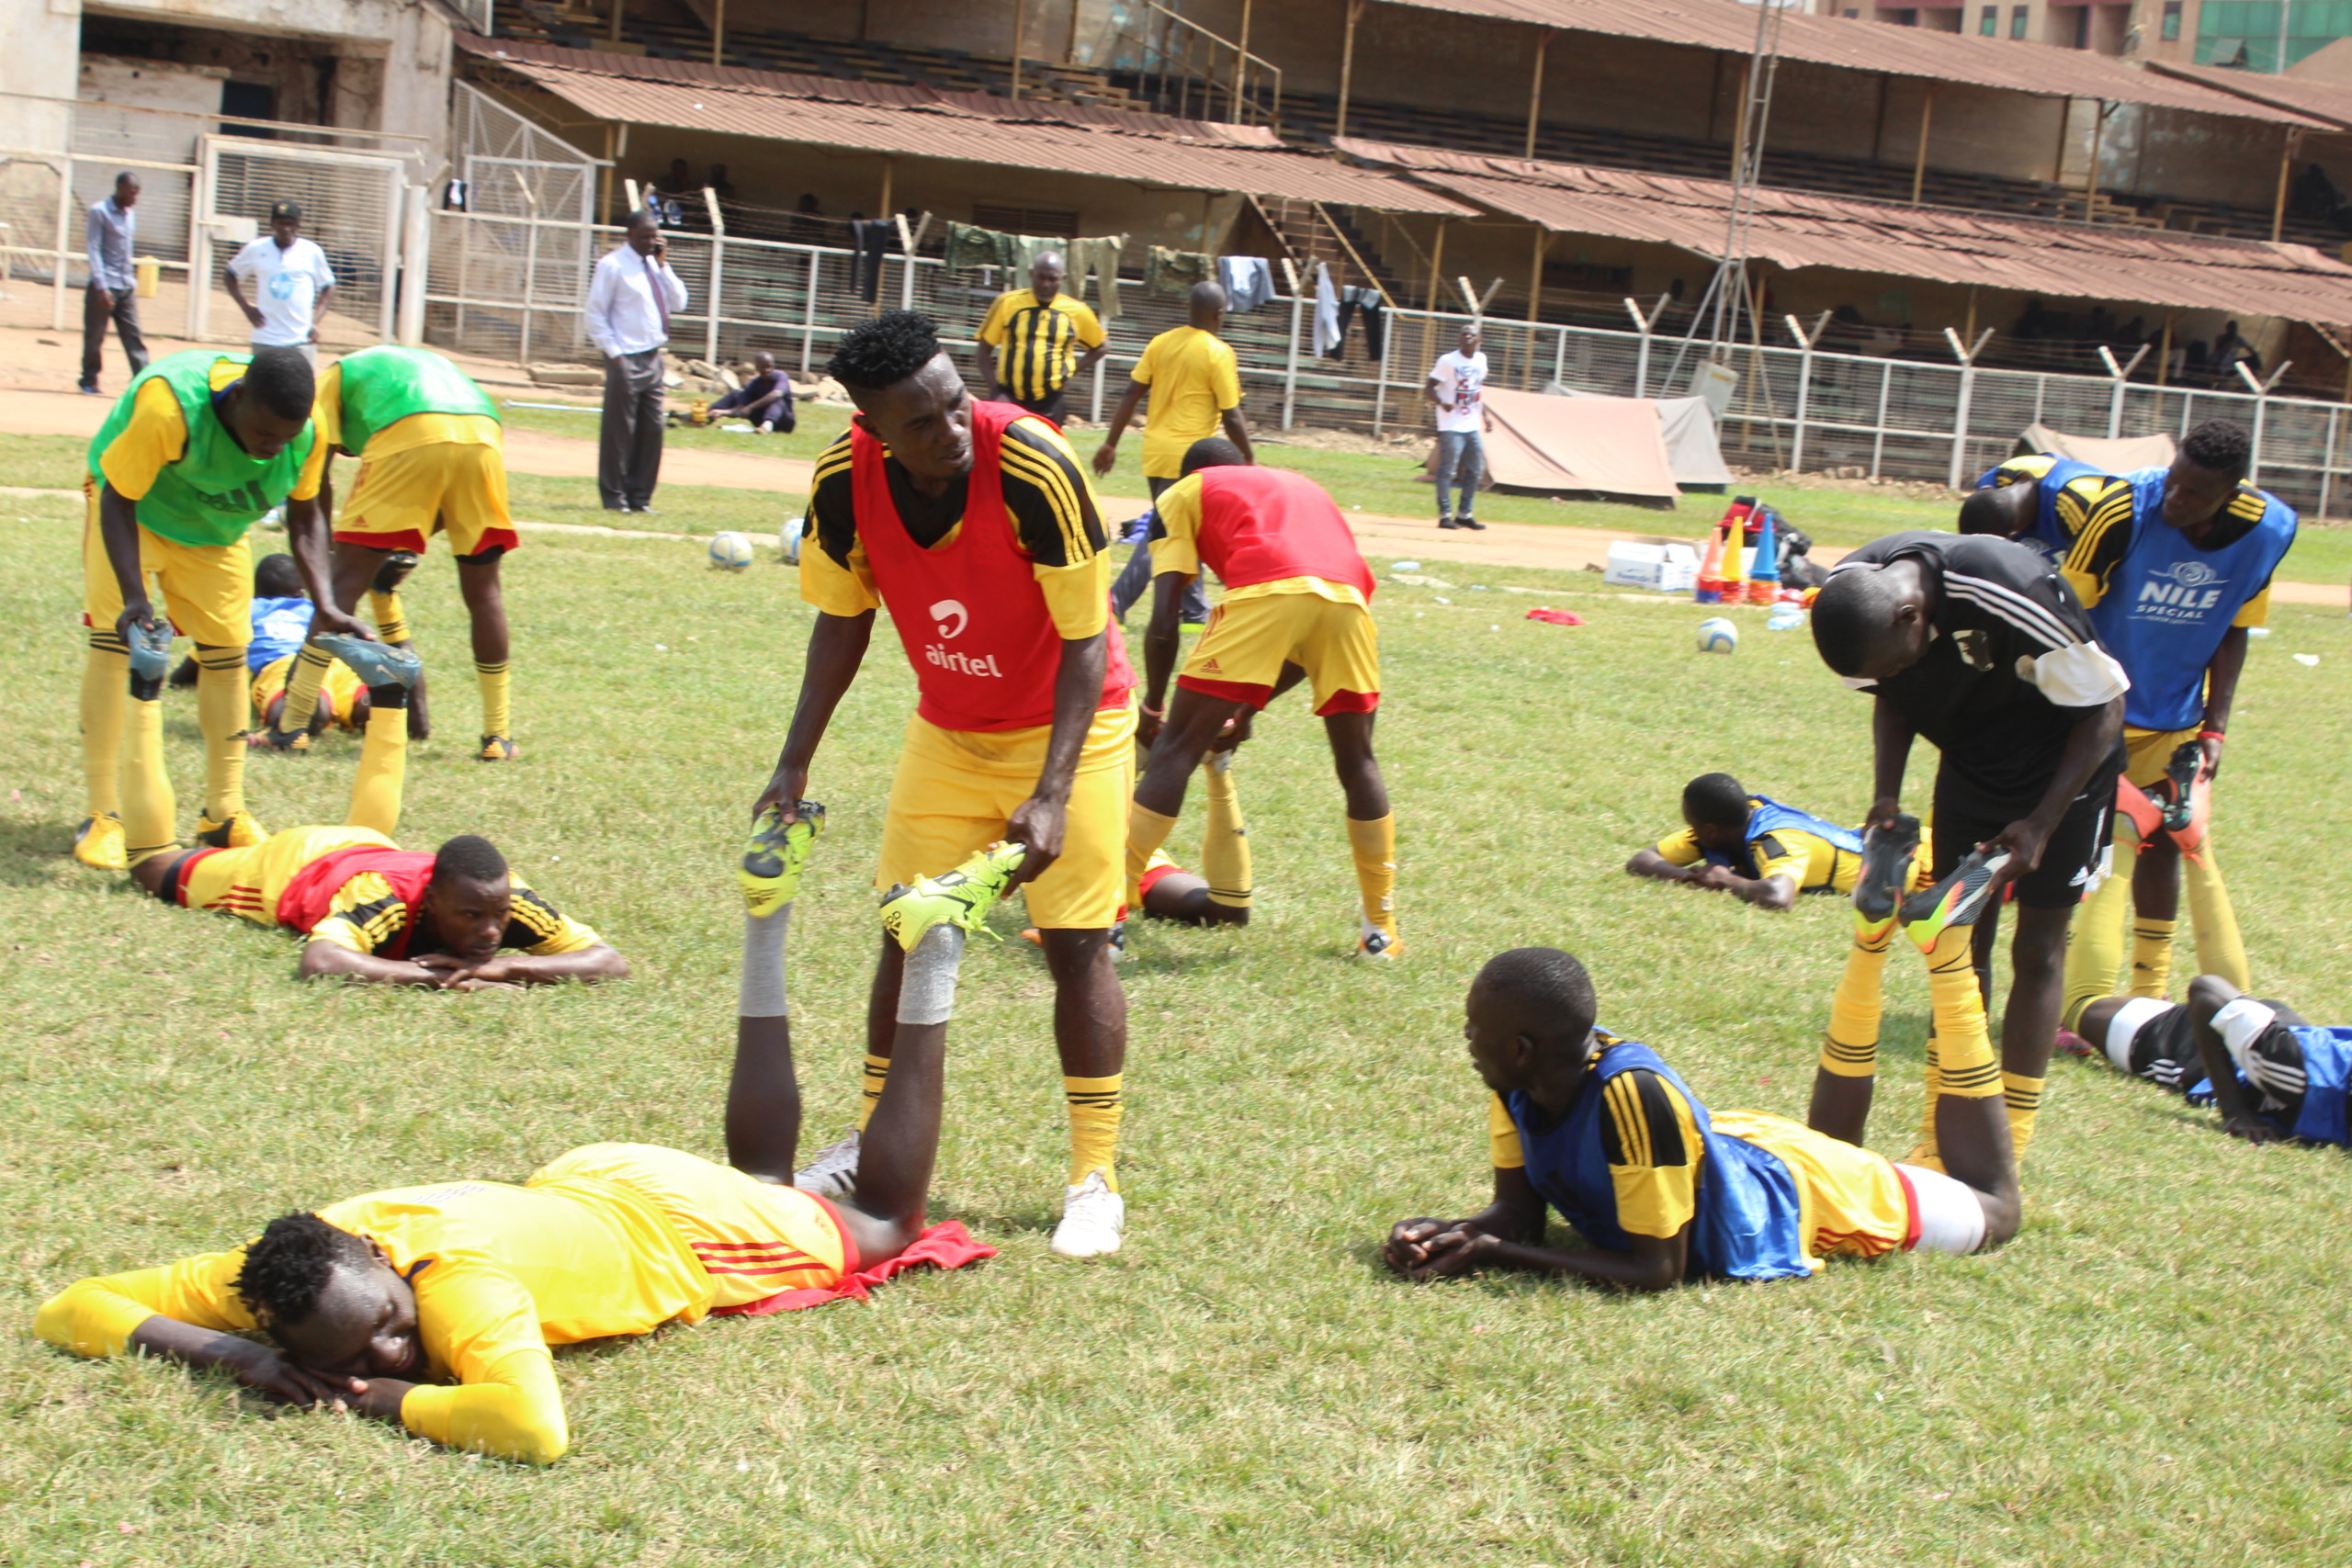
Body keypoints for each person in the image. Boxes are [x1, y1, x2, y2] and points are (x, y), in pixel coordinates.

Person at [34, 823, 999, 1463]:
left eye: (390, 1323)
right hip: (593, 1179)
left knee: (885, 1222)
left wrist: (365, 1396)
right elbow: (71, 1307)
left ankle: (934, 950)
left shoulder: (461, 1292)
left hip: (680, 1230)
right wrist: (232, 1355)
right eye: (364, 1349)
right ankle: (766, 919)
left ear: (381, 1262)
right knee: (760, 1178)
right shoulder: (299, 1263)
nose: (397, 1348)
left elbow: (532, 1429)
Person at [754, 310, 1137, 1258]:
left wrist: (1051, 790)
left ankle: (1094, 1177)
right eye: (921, 423)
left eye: (957, 404)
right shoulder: (842, 481)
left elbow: (1087, 637)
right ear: (873, 428)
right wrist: (794, 758)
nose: (951, 430)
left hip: (1073, 730)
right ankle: (868, 1141)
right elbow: (842, 618)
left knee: (1076, 945)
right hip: (950, 731)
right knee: (907, 930)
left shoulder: (1035, 464)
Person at [1383, 946, 2018, 1291]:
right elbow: (1519, 1216)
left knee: (1997, 1209)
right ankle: (1871, 940)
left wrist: (1497, 1254)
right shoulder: (1520, 1080)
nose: (1467, 1037)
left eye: (1475, 1027)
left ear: (1521, 1047)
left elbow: (1657, 1270)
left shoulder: (1631, 1096)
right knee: (1857, 1149)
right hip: (1731, 1148)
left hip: (1807, 1193)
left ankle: (1946, 956)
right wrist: (1449, 1233)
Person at [1808, 531, 2129, 1164]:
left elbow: (2105, 710)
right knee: (1955, 942)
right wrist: (1885, 796)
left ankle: (2010, 1142)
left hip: (2064, 774)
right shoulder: (1858, 599)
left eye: (1893, 663)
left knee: (2037, 948)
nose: (1891, 677)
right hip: (1972, 767)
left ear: (1911, 615)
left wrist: (2041, 824)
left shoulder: (2009, 589)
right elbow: (1893, 697)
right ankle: (1943, 1133)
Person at [131, 636, 625, 988]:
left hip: (367, 846)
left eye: (498, 916)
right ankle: (145, 688)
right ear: (431, 901)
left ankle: (390, 696)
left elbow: (609, 961)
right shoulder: (383, 900)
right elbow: (321, 961)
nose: (491, 931)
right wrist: (431, 977)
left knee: (368, 830)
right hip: (291, 868)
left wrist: (505, 967)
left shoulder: (503, 893)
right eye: (472, 916)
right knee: (148, 865)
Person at [74, 346, 348, 872]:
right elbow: (118, 497)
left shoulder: (307, 430)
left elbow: (306, 516)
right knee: (114, 645)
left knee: (227, 652)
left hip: (214, 532)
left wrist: (326, 602)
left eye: (285, 438)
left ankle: (223, 813)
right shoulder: (170, 407)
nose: (273, 448)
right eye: (264, 433)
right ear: (239, 397)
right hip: (133, 515)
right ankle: (101, 815)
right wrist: (135, 597)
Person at [1124, 439, 1399, 958]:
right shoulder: (1300, 485)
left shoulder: (1182, 492)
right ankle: (1379, 934)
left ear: (1191, 474)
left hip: (1266, 585)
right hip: (1349, 600)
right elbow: (1308, 626)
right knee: (1359, 762)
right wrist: (1246, 706)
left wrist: (1154, 708)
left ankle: (1102, 919)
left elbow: (1164, 618)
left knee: (1176, 750)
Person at [252, 344, 524, 761]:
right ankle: (497, 736)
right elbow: (438, 502)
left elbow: (315, 483)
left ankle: (291, 727)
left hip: (408, 429)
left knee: (339, 588)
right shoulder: (386, 370)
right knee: (485, 593)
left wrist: (335, 555)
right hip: (484, 431)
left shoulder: (328, 384)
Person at [1094, 280, 1250, 623]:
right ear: (1219, 314)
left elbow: (1131, 394)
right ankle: (1115, 602)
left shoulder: (1161, 343)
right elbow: (1232, 415)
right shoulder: (1217, 352)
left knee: (1184, 529)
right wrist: (1247, 460)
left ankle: (1194, 609)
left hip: (1155, 454)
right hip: (1192, 459)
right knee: (1161, 532)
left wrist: (1111, 443)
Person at [2075, 975, 2352, 1147]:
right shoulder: (2294, 1072)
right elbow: (2205, 989)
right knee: (2080, 1006)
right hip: (2186, 1039)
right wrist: (2235, 1111)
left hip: (2271, 1030)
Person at [1625, 772, 1899, 911]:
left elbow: (1778, 897)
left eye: (1691, 825)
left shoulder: (1775, 840)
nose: (1689, 832)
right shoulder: (1724, 827)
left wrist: (1725, 880)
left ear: (1709, 831)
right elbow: (1641, 860)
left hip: (1904, 866)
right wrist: (1689, 877)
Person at [585, 210, 688, 514]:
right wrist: (615, 354)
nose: (650, 242)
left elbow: (679, 302)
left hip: (653, 357)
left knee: (653, 429)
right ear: (628, 234)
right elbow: (595, 314)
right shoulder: (612, 265)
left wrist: (664, 264)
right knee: (619, 432)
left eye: (655, 236)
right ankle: (615, 498)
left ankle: (640, 498)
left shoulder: (654, 265)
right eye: (644, 236)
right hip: (625, 357)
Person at [975, 251, 1108, 427]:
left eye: (1052, 279)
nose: (1046, 284)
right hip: (1009, 397)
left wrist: (1071, 369)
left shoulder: (1078, 311)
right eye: (1041, 277)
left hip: (1051, 401)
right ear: (1032, 274)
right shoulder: (1007, 303)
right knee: (1003, 444)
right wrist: (995, 390)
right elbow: (984, 350)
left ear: (1063, 279)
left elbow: (1101, 346)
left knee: (1047, 445)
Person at [224, 201, 336, 367]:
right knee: (261, 383)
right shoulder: (256, 248)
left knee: (301, 383)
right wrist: (246, 308)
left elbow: (328, 285)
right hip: (265, 338)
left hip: (300, 340)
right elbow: (230, 274)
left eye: (290, 224)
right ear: (272, 224)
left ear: (298, 225)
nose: (286, 228)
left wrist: (314, 322)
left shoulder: (311, 251)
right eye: (281, 223)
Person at [80, 172, 148, 397]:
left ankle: (143, 382)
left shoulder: (130, 215)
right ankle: (89, 380)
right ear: (119, 188)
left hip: (125, 286)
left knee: (134, 336)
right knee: (95, 337)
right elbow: (94, 249)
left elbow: (126, 251)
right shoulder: (99, 212)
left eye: (137, 194)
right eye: (132, 193)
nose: (135, 198)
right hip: (103, 287)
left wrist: (131, 280)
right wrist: (101, 286)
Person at [1424, 321, 1491, 531]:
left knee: (1475, 470)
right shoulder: (1448, 361)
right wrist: (1441, 402)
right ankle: (1445, 515)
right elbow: (1429, 388)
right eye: (1464, 334)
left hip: (1471, 423)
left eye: (1472, 334)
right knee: (1448, 470)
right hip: (1451, 424)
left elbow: (1476, 391)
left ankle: (1464, 514)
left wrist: (1485, 416)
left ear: (1479, 339)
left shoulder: (1481, 360)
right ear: (1459, 338)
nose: (1467, 337)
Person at [709, 350, 795, 433]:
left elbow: (777, 394)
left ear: (773, 366)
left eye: (769, 366)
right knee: (736, 394)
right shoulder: (754, 384)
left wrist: (751, 407)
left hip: (783, 422)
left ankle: (767, 426)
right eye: (763, 367)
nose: (767, 370)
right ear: (757, 368)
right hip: (761, 420)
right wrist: (722, 412)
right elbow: (742, 410)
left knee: (776, 399)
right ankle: (706, 416)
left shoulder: (781, 376)